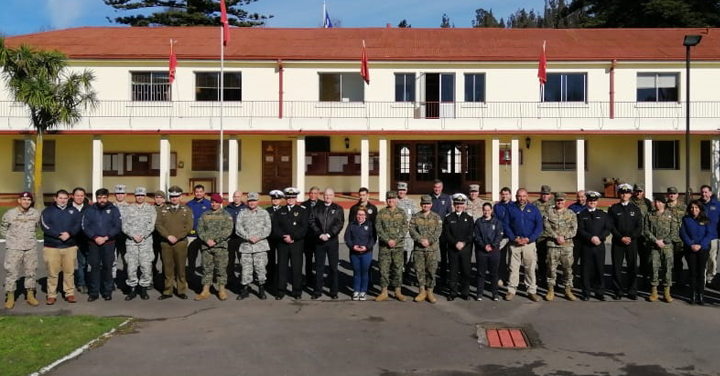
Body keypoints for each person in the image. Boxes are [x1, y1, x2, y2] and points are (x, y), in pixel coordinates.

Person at [40, 189, 82, 305]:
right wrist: (58, 235)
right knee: (52, 273)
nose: (63, 200)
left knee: (69, 272)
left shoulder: (74, 211)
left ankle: (69, 293)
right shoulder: (47, 211)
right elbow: (44, 225)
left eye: (65, 198)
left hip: (70, 246)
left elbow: (78, 225)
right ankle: (51, 295)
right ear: (55, 198)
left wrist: (69, 234)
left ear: (68, 199)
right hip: (52, 247)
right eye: (60, 198)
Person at [503, 188, 543, 302]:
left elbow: (539, 226)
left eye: (524, 196)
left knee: (530, 268)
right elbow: (506, 225)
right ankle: (511, 290)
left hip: (528, 243)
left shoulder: (533, 209)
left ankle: (531, 291)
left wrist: (529, 239)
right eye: (519, 196)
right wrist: (513, 238)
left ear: (527, 196)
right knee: (513, 267)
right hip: (515, 242)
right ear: (516, 196)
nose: (522, 198)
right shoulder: (510, 208)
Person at [1, 192, 40, 309]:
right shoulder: (10, 214)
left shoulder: (35, 213)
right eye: (24, 199)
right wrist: (11, 239)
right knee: (11, 272)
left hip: (30, 247)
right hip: (14, 248)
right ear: (19, 201)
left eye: (28, 199)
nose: (26, 201)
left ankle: (30, 295)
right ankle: (10, 297)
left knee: (31, 271)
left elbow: (36, 227)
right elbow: (3, 228)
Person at [82, 188, 122, 302]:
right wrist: (95, 237)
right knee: (94, 268)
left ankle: (107, 291)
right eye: (99, 198)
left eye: (104, 197)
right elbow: (85, 226)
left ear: (107, 197)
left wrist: (106, 237)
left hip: (108, 243)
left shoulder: (114, 209)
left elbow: (117, 226)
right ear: (96, 198)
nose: (102, 200)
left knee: (107, 267)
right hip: (93, 243)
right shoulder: (90, 210)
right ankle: (94, 292)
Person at [155, 185, 194, 300]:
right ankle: (167, 291)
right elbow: (158, 225)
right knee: (167, 268)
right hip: (166, 243)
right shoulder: (163, 210)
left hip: (180, 243)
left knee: (181, 268)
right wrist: (168, 236)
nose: (174, 199)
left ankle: (181, 290)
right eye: (172, 196)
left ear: (180, 197)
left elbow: (188, 226)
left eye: (176, 196)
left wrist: (177, 237)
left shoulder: (186, 210)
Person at [195, 193, 234, 301]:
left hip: (220, 247)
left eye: (216, 202)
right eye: (212, 202)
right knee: (207, 269)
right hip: (207, 247)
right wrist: (207, 240)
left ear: (220, 203)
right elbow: (200, 229)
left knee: (221, 269)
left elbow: (228, 231)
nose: (214, 204)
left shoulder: (226, 215)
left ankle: (221, 290)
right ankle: (205, 290)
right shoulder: (205, 214)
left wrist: (215, 241)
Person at [273, 187, 310, 300]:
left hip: (296, 244)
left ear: (296, 198)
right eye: (288, 197)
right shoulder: (280, 211)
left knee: (296, 268)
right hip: (283, 244)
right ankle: (281, 290)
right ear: (285, 198)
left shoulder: (302, 211)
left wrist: (293, 237)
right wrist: (284, 237)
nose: (290, 199)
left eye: (292, 197)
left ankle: (297, 291)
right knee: (282, 268)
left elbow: (304, 228)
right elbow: (276, 228)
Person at [121, 187, 157, 301]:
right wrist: (133, 235)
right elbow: (124, 225)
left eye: (142, 195)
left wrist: (142, 236)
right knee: (131, 266)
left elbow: (152, 225)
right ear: (134, 196)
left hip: (145, 242)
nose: (140, 197)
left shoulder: (150, 209)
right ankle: (132, 290)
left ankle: (144, 289)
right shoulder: (128, 208)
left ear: (145, 196)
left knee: (145, 266)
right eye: (138, 195)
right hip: (131, 242)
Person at [608, 183, 643, 300]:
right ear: (619, 194)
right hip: (618, 242)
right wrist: (620, 237)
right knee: (617, 267)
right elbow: (611, 225)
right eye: (622, 193)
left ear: (630, 194)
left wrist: (631, 237)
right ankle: (618, 290)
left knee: (632, 266)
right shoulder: (614, 208)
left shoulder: (635, 209)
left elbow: (639, 226)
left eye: (627, 193)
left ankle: (632, 290)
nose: (624, 195)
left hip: (632, 242)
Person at [576, 191, 612, 301]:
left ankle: (599, 292)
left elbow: (608, 229)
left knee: (599, 269)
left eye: (594, 201)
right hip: (586, 246)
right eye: (590, 201)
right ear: (587, 201)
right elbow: (580, 230)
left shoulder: (603, 214)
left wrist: (600, 238)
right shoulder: (582, 215)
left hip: (599, 246)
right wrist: (590, 238)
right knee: (586, 270)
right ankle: (586, 292)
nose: (592, 202)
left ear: (597, 202)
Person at [309, 187, 345, 299]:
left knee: (333, 267)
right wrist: (319, 234)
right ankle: (317, 291)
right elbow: (312, 222)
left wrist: (329, 234)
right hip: (319, 241)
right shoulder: (316, 208)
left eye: (330, 195)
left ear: (333, 196)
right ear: (323, 196)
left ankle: (334, 291)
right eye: (325, 195)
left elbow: (339, 224)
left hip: (332, 241)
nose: (327, 197)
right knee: (319, 267)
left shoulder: (338, 208)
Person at [236, 192, 272, 300]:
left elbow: (268, 228)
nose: (252, 203)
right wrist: (248, 237)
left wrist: (258, 237)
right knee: (246, 269)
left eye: (254, 200)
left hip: (260, 246)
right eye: (250, 201)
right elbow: (238, 228)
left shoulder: (264, 213)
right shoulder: (242, 213)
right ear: (247, 202)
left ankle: (261, 289)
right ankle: (245, 290)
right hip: (246, 246)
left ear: (258, 201)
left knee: (260, 268)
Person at [543, 192, 578, 301]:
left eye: (562, 200)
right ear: (555, 201)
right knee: (551, 268)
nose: (560, 202)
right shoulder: (548, 213)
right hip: (552, 245)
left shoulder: (571, 213)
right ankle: (550, 290)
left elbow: (574, 229)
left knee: (567, 269)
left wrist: (564, 237)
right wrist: (556, 237)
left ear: (565, 201)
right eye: (558, 200)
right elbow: (546, 227)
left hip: (566, 246)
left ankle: (568, 290)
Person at [643, 197, 679, 303]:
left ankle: (666, 292)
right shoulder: (650, 215)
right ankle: (654, 292)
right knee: (653, 267)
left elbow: (674, 231)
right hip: (654, 246)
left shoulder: (671, 215)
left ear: (664, 203)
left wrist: (664, 241)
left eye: (660, 202)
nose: (657, 204)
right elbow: (646, 230)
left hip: (666, 247)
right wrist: (655, 241)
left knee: (667, 268)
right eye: (656, 202)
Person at [375, 191, 409, 302]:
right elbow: (378, 228)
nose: (391, 201)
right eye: (389, 199)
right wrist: (387, 240)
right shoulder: (381, 213)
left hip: (398, 247)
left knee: (398, 269)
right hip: (385, 247)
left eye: (393, 198)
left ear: (396, 200)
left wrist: (396, 240)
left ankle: (398, 292)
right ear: (386, 200)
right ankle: (384, 292)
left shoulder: (402, 213)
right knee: (384, 269)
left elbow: (405, 228)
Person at [408, 195, 443, 303]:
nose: (426, 205)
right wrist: (420, 240)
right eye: (424, 204)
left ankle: (430, 292)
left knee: (431, 271)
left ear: (431, 205)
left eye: (428, 204)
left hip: (431, 249)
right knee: (419, 270)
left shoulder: (436, 217)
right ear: (421, 205)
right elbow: (412, 229)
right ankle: (421, 291)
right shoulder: (415, 216)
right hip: (419, 249)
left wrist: (429, 241)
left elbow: (438, 231)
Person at [680, 200, 713, 305]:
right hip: (690, 249)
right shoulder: (686, 219)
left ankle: (701, 295)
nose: (694, 210)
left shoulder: (706, 220)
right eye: (692, 208)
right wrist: (691, 244)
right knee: (692, 272)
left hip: (702, 249)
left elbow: (709, 234)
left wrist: (701, 245)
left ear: (700, 209)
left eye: (696, 208)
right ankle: (693, 295)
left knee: (701, 272)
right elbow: (683, 233)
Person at [443, 193, 474, 301]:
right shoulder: (448, 218)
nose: (459, 206)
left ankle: (465, 292)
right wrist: (455, 243)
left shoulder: (469, 218)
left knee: (466, 271)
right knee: (453, 271)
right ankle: (453, 292)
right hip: (453, 249)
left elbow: (471, 234)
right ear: (454, 204)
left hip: (465, 249)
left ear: (464, 205)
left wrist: (463, 243)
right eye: (457, 203)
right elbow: (447, 234)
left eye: (461, 204)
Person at [474, 202, 503, 301]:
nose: (486, 212)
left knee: (494, 273)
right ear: (482, 211)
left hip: (494, 251)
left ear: (491, 211)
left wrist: (492, 245)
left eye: (488, 210)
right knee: (481, 273)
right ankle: (479, 294)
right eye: (485, 210)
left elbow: (499, 236)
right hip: (482, 251)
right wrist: (484, 246)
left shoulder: (497, 222)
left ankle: (495, 294)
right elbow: (477, 236)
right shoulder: (478, 222)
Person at [345, 207, 375, 301]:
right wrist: (352, 246)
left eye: (362, 214)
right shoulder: (351, 224)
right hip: (354, 253)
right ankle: (356, 291)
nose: (360, 216)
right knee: (357, 272)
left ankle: (363, 291)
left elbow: (373, 238)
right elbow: (347, 237)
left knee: (365, 272)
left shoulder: (370, 225)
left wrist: (366, 247)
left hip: (366, 253)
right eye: (358, 214)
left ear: (365, 216)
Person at [186, 184, 211, 280]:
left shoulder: (209, 204)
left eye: (201, 192)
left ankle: (206, 278)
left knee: (206, 258)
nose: (199, 194)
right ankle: (191, 277)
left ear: (204, 192)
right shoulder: (189, 205)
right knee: (191, 257)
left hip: (205, 236)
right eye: (197, 192)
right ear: (194, 193)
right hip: (192, 235)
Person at [430, 179, 452, 287]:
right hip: (431, 231)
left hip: (443, 230)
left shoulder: (447, 198)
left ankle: (443, 278)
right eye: (435, 187)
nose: (437, 189)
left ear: (442, 188)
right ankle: (430, 278)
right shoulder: (429, 198)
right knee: (431, 254)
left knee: (444, 255)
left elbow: (449, 213)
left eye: (438, 187)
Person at [631, 183, 653, 290]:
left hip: (644, 235)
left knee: (645, 259)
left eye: (640, 191)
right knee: (632, 258)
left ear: (643, 192)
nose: (638, 193)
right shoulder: (629, 202)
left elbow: (651, 216)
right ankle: (632, 281)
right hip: (633, 234)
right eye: (636, 191)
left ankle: (646, 279)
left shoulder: (647, 202)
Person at [396, 182, 419, 284]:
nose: (401, 192)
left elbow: (416, 217)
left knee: (408, 257)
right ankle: (397, 277)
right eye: (400, 190)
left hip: (409, 236)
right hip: (397, 235)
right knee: (397, 258)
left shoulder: (411, 202)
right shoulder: (394, 201)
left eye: (403, 190)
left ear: (406, 190)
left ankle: (407, 276)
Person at [225, 191, 247, 289]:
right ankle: (230, 279)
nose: (236, 198)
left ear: (241, 197)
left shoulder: (246, 209)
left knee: (243, 260)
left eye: (238, 197)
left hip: (241, 239)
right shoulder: (227, 209)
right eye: (234, 196)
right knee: (230, 261)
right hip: (230, 238)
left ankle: (243, 280)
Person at [698, 185, 720, 286]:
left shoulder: (717, 205)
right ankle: (702, 279)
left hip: (713, 236)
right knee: (702, 258)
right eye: (702, 192)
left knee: (712, 259)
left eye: (706, 192)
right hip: (700, 236)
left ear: (710, 193)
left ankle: (711, 278)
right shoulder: (697, 204)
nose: (704, 194)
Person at [71, 187, 91, 294]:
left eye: (82, 195)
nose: (79, 198)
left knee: (83, 264)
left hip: (84, 241)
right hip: (70, 242)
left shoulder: (89, 209)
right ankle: (68, 285)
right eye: (77, 195)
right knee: (68, 265)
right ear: (73, 196)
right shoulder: (68, 208)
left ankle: (82, 283)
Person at [534, 185, 554, 287]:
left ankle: (552, 281)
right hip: (540, 237)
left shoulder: (554, 204)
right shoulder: (535, 204)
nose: (545, 196)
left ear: (550, 195)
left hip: (552, 237)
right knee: (541, 259)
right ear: (540, 194)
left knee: (552, 260)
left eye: (547, 194)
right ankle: (541, 278)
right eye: (543, 194)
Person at [666, 187, 686, 286]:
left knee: (678, 260)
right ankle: (667, 282)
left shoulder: (683, 207)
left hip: (679, 238)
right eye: (670, 193)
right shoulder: (664, 206)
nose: (672, 195)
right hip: (667, 238)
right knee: (667, 260)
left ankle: (679, 281)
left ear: (677, 195)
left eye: (674, 193)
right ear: (667, 194)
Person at [302, 186, 322, 288]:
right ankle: (308, 279)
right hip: (308, 237)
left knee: (319, 261)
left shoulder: (322, 204)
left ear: (318, 194)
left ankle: (318, 281)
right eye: (311, 193)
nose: (313, 195)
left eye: (315, 193)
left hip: (319, 238)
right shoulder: (304, 205)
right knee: (308, 260)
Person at [494, 187, 513, 288]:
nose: (505, 196)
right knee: (501, 258)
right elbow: (496, 220)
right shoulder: (497, 206)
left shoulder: (514, 205)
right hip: (503, 236)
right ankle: (501, 277)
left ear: (510, 195)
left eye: (506, 194)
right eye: (503, 194)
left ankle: (511, 279)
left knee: (512, 259)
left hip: (513, 236)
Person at [266, 189, 285, 290]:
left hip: (281, 239)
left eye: (277, 199)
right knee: (270, 261)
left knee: (282, 261)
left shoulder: (284, 210)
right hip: (270, 239)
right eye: (273, 199)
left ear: (280, 200)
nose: (275, 201)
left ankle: (281, 281)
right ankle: (270, 280)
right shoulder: (267, 211)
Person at [113, 184, 129, 281]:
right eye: (118, 193)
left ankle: (127, 279)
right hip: (113, 237)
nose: (120, 195)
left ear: (126, 194)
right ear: (115, 195)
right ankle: (112, 280)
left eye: (122, 193)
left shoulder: (130, 208)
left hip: (125, 237)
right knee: (112, 260)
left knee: (126, 260)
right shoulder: (110, 207)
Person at [151, 190, 166, 278]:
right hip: (153, 237)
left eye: (161, 198)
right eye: (157, 197)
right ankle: (152, 276)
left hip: (164, 237)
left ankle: (165, 277)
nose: (159, 200)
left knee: (165, 259)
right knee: (152, 259)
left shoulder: (168, 209)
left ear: (164, 199)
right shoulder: (150, 209)